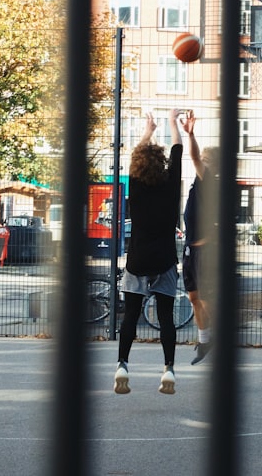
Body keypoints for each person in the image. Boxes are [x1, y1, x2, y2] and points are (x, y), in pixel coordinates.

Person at [114, 109, 184, 396]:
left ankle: (122, 364)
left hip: (138, 259)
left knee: (130, 315)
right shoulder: (171, 185)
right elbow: (178, 152)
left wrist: (148, 129)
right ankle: (168, 369)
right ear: (164, 163)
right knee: (166, 317)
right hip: (165, 259)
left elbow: (135, 156)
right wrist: (173, 123)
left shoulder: (137, 185)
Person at [182, 111, 217, 365]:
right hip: (189, 249)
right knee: (194, 298)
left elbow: (193, 156)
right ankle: (205, 341)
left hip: (204, 251)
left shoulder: (208, 178)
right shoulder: (197, 182)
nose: (200, 161)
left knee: (205, 299)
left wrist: (191, 135)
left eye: (205, 159)